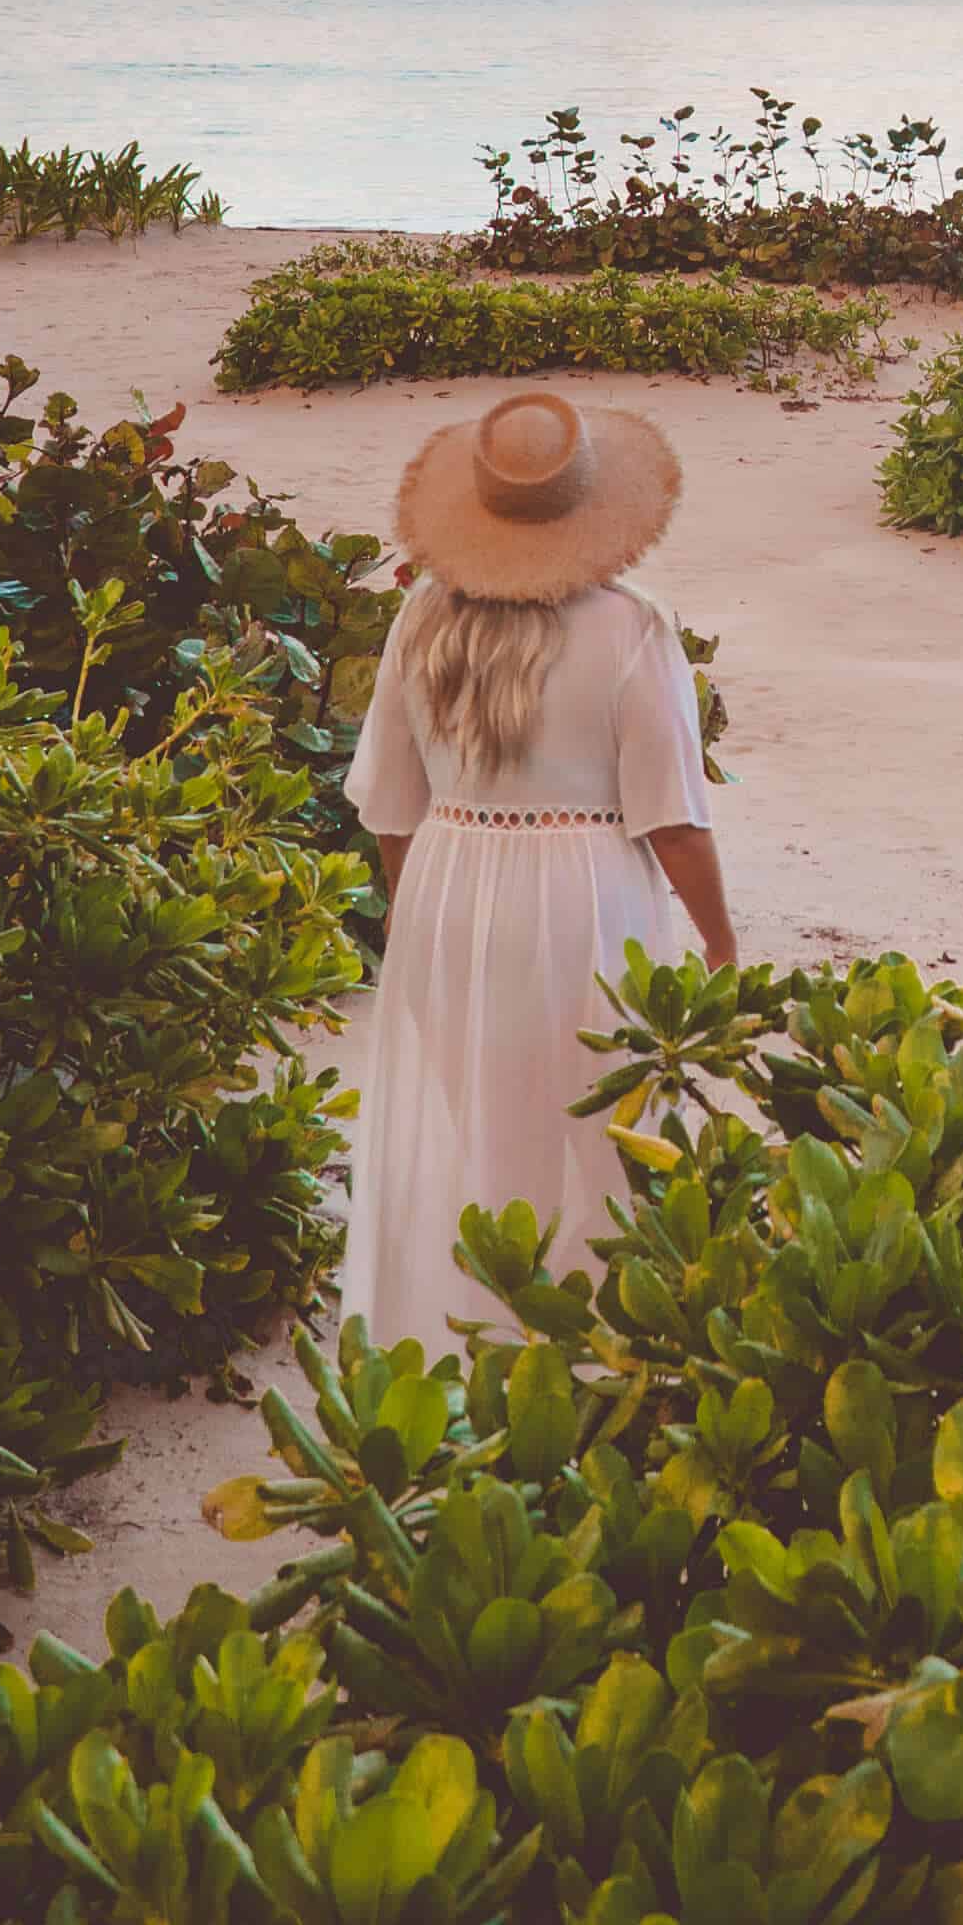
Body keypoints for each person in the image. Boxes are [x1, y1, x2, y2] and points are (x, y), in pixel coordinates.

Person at [338, 385, 735, 1356]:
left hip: (447, 888)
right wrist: (723, 947)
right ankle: (599, 1358)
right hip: (584, 895)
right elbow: (673, 819)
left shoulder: (420, 620)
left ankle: (487, 1350)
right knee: (611, 1140)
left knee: (492, 1140)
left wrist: (419, 922)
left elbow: (390, 807)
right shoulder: (631, 626)